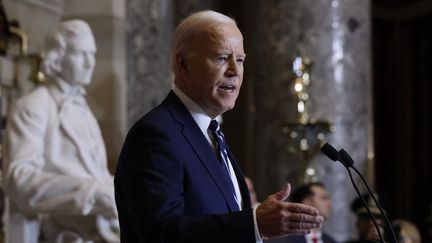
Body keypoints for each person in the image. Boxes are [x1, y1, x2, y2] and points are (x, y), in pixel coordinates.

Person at [114, 10, 324, 243]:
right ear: (182, 63)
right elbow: (160, 234)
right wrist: (254, 224)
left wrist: (254, 225)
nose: (235, 71)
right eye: (222, 58)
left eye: (240, 60)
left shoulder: (212, 133)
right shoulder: (156, 134)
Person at [3, 20, 119, 243]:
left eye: (92, 54)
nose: (89, 63)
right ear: (57, 57)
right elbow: (20, 181)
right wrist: (92, 192)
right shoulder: (34, 106)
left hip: (101, 219)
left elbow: (99, 174)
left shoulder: (83, 108)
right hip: (64, 224)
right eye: (80, 54)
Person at [265, 182, 337, 243]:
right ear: (307, 202)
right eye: (323, 198)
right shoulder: (281, 240)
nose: (329, 204)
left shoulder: (331, 241)